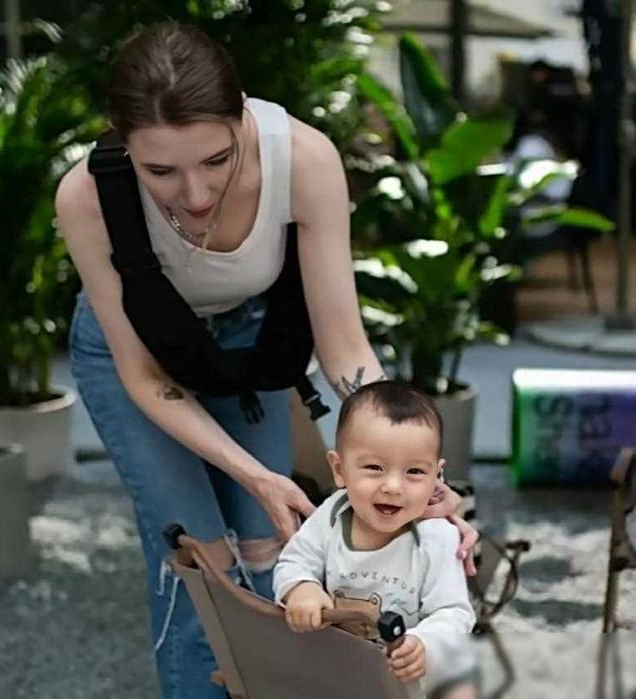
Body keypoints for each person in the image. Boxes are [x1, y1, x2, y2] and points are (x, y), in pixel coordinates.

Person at [55, 21, 477, 698]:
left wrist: (414, 471)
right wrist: (255, 473)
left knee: (268, 548)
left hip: (246, 351)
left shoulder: (304, 160)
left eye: (215, 160)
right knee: (199, 558)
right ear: (119, 139)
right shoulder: (86, 197)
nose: (193, 195)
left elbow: (344, 348)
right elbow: (143, 376)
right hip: (133, 356)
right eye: (160, 170)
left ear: (243, 114)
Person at [273, 381, 478, 699]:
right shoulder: (332, 515)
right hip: (331, 675)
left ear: (437, 477)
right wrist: (302, 587)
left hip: (401, 684)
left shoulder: (437, 537)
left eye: (414, 472)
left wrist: (426, 643)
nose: (393, 486)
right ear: (339, 470)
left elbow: (455, 612)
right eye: (373, 468)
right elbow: (293, 560)